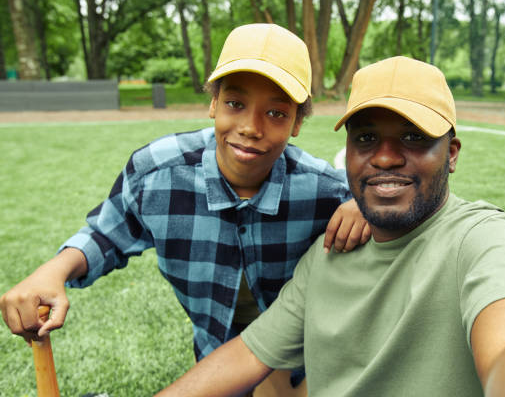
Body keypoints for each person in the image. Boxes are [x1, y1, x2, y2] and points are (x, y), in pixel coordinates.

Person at [155, 56, 505, 397]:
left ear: (452, 154)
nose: (386, 158)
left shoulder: (488, 240)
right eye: (367, 139)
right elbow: (248, 354)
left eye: (413, 137)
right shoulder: (327, 254)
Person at [0, 23, 369, 396]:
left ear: (298, 123)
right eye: (235, 104)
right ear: (213, 103)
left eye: (276, 113)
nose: (250, 127)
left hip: (295, 357)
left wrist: (363, 205)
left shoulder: (324, 190)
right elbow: (106, 233)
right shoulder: (157, 172)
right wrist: (53, 270)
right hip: (213, 350)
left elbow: (394, 212)